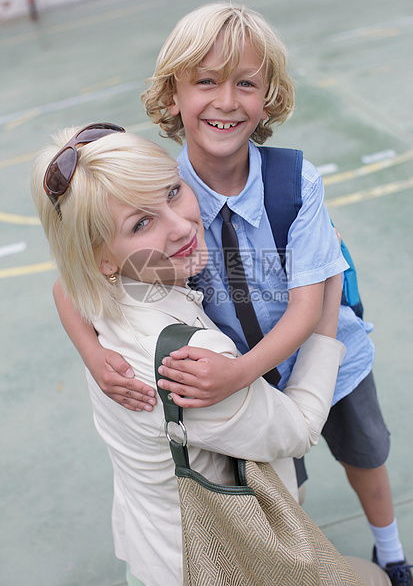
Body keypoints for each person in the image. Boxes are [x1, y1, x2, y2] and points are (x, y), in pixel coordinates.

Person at [53, 4, 412, 585]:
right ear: (172, 96)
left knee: (365, 455)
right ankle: (295, 559)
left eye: (245, 83)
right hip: (248, 383)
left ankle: (391, 551)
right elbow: (71, 282)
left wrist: (238, 373)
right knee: (276, 484)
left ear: (268, 96)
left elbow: (305, 310)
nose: (226, 101)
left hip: (322, 358)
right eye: (205, 81)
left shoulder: (296, 183)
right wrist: (93, 356)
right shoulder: (161, 191)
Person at [32, 124, 348, 586]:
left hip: (152, 546)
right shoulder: (190, 363)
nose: (182, 226)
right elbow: (296, 430)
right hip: (212, 560)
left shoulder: (100, 292)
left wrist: (89, 351)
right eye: (141, 223)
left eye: (173, 192)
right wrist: (326, 302)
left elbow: (64, 286)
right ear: (101, 257)